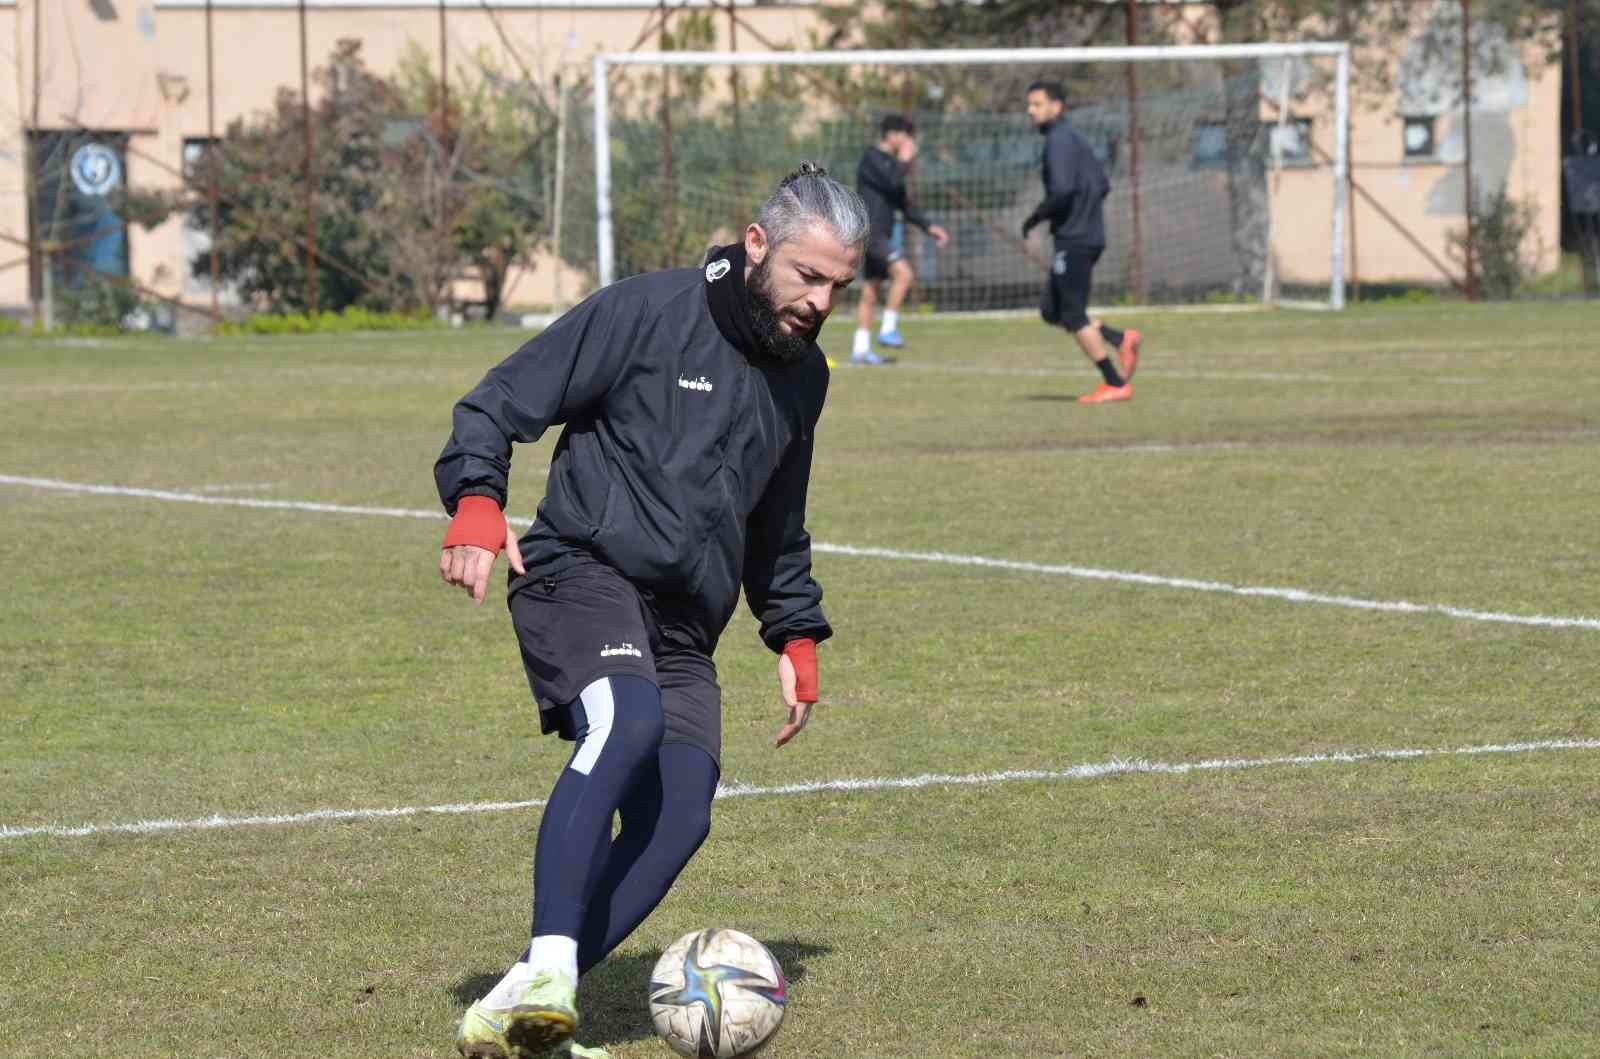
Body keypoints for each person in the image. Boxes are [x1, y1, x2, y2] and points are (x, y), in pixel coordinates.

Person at [435, 162, 867, 1059]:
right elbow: (498, 402)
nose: (822, 300)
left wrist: (793, 628)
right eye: (807, 276)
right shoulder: (643, 312)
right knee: (624, 719)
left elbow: (777, 519)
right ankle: (554, 967)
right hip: (579, 569)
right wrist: (476, 500)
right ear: (757, 247)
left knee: (682, 812)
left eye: (838, 285)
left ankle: (520, 1000)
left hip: (683, 624)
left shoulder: (805, 377)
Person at [1022, 80, 1143, 404]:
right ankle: (1120, 338)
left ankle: (1115, 382)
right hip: (1083, 234)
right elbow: (1101, 184)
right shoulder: (1073, 139)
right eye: (1030, 105)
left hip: (1075, 238)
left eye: (1037, 104)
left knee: (1073, 314)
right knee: (1052, 310)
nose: (1030, 111)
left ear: (1056, 106)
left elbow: (1062, 191)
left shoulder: (1058, 141)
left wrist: (1036, 217)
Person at [853, 113, 950, 365]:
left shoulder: (892, 165)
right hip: (870, 232)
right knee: (904, 273)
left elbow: (904, 204)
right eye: (907, 136)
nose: (910, 142)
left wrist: (929, 227)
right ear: (893, 135)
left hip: (880, 234)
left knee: (871, 289)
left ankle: (860, 348)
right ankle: (888, 329)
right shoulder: (871, 158)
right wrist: (905, 161)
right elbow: (891, 180)